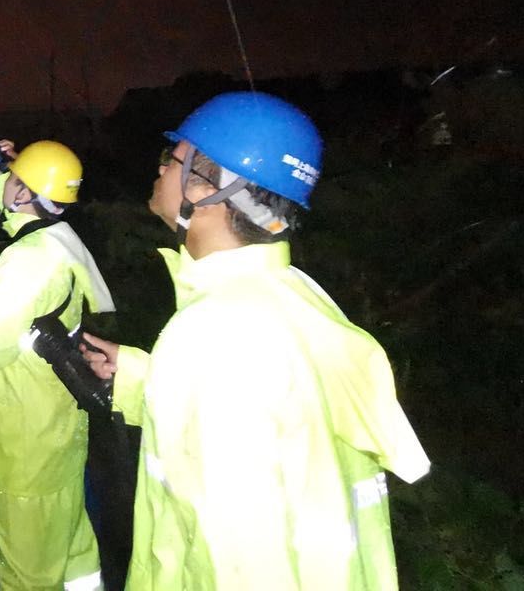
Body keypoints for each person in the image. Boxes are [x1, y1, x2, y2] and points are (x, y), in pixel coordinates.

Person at [80, 92, 430, 590]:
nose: (159, 171)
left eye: (171, 159)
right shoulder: (293, 296)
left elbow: (238, 560)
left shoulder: (214, 336)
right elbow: (273, 429)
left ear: (207, 189)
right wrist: (143, 376)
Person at [0, 138, 114, 591]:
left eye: (15, 179)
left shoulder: (26, 259)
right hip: (62, 432)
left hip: (26, 446)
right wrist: (1, 167)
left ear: (25, 192)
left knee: (26, 572)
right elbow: (14, 201)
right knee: (74, 549)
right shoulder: (61, 239)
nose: (8, 184)